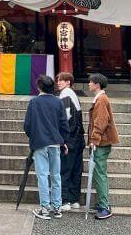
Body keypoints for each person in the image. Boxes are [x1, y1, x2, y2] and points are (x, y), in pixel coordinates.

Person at [23, 74, 69, 221]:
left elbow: (28, 126)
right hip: (55, 142)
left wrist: (34, 137)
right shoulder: (58, 102)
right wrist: (63, 141)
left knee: (42, 176)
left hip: (40, 143)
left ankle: (45, 208)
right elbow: (64, 124)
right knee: (56, 176)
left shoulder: (34, 102)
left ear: (40, 87)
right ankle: (57, 207)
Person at [87, 73, 120, 220]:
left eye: (91, 82)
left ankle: (104, 206)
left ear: (97, 84)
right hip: (103, 141)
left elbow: (101, 121)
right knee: (100, 173)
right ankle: (103, 203)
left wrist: (94, 139)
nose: (89, 84)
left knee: (100, 174)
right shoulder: (101, 98)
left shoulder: (101, 99)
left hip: (101, 141)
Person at [56, 72, 84, 211]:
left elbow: (65, 118)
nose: (58, 82)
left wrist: (63, 139)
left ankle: (65, 200)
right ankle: (74, 199)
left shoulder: (65, 94)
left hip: (70, 138)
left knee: (65, 169)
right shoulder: (73, 94)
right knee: (76, 170)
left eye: (61, 80)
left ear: (68, 82)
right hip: (79, 137)